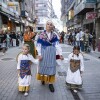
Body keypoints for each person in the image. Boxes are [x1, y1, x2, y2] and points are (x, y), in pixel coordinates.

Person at [36, 20, 63, 92]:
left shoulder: (54, 35)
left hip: (52, 53)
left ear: (52, 26)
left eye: (50, 24)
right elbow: (38, 45)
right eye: (48, 24)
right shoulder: (41, 34)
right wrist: (39, 54)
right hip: (44, 53)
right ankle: (43, 79)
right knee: (43, 67)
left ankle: (50, 83)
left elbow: (57, 45)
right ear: (46, 25)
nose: (49, 25)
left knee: (51, 68)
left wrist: (60, 54)